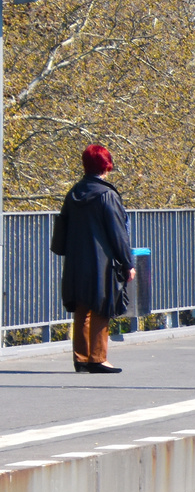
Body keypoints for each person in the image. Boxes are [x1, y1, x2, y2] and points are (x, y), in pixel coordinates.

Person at [52, 143, 134, 372]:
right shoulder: (106, 195)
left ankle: (81, 359)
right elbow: (118, 232)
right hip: (101, 260)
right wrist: (127, 262)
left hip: (76, 260)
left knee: (82, 308)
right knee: (102, 305)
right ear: (105, 165)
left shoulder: (74, 193)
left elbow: (62, 229)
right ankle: (98, 358)